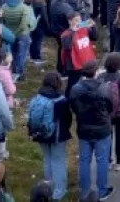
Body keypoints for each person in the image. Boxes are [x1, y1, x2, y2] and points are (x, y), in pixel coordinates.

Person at [70, 59, 114, 201]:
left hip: (84, 128)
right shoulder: (105, 88)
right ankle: (102, 191)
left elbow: (74, 107)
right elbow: (111, 106)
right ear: (96, 72)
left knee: (84, 160)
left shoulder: (76, 89)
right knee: (102, 160)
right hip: (102, 129)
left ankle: (85, 192)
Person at [29, 72, 72, 201]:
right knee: (58, 161)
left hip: (40, 134)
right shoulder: (61, 100)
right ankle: (59, 191)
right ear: (58, 83)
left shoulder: (37, 97)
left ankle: (48, 188)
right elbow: (67, 119)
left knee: (47, 159)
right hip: (57, 136)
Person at [100, 52, 120, 171]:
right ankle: (118, 161)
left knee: (108, 136)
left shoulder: (101, 76)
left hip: (105, 111)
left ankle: (108, 160)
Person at [1, 0, 36, 81]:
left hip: (9, 34)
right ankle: (20, 73)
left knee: (12, 52)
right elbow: (23, 24)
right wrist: (17, 33)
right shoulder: (25, 8)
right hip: (22, 34)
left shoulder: (3, 6)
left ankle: (12, 70)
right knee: (22, 54)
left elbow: (2, 21)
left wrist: (10, 33)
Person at [60, 11, 98, 97]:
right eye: (76, 20)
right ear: (70, 21)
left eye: (80, 20)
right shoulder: (66, 34)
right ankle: (68, 98)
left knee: (87, 81)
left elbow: (94, 37)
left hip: (87, 60)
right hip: (74, 63)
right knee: (73, 83)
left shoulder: (84, 29)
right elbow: (67, 47)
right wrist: (74, 31)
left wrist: (93, 26)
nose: (79, 22)